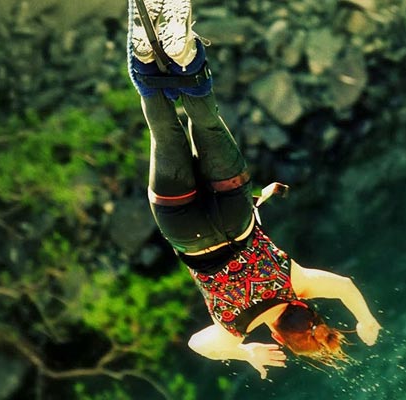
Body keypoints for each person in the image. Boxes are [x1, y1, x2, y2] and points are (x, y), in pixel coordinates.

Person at [126, 0, 382, 379]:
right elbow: (199, 344)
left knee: (207, 123)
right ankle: (145, 55)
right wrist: (245, 352)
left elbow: (344, 286)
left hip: (235, 213)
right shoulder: (233, 330)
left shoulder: (298, 282)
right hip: (188, 231)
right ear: (277, 336)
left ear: (308, 308)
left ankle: (184, 56)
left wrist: (366, 321)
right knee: (164, 132)